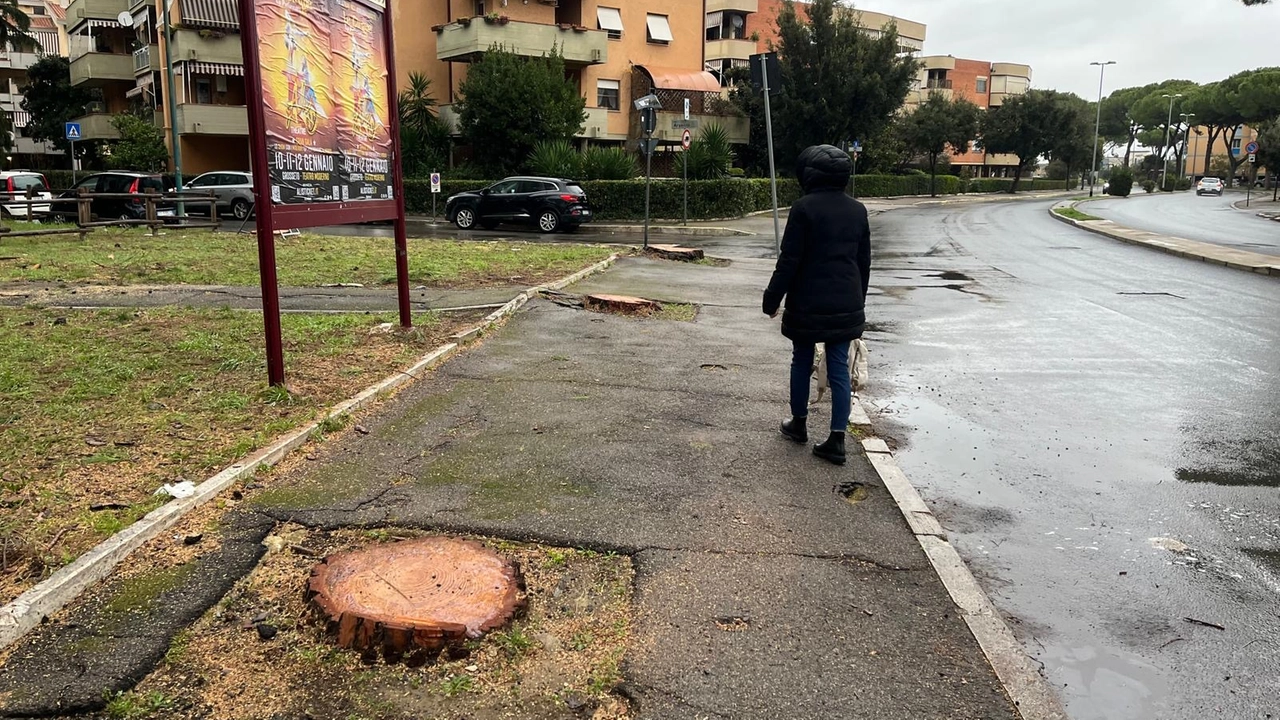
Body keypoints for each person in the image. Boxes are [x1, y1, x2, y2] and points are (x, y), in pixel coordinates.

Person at [763, 144, 871, 466]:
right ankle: (837, 438)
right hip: (846, 301)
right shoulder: (858, 210)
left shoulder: (803, 208)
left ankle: (798, 423)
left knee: (802, 359)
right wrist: (858, 299)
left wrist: (772, 299)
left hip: (807, 302)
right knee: (838, 366)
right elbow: (863, 262)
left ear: (809, 173)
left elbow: (790, 260)